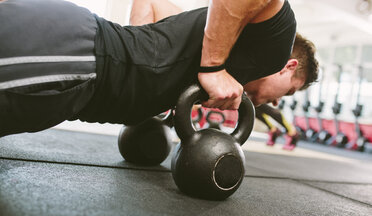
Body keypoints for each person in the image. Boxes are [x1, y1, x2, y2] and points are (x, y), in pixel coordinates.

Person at [0, 0, 318, 138]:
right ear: (288, 68)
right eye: (289, 91)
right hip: (74, 54)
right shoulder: (277, 44)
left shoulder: (204, 29)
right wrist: (213, 66)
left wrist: (141, 64)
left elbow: (150, 4)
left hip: (77, 67)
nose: (276, 104)